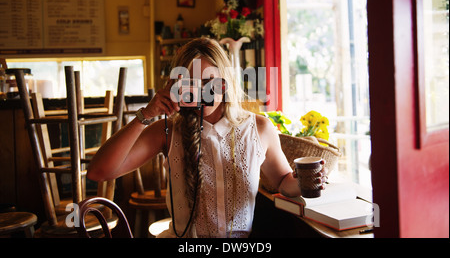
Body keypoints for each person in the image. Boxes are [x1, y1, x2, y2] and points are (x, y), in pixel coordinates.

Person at [87, 37, 326, 238]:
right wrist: (145, 115)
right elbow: (99, 172)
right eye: (193, 83)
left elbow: (284, 181)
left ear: (225, 83)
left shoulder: (260, 128)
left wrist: (306, 182)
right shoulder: (168, 130)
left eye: (210, 83)